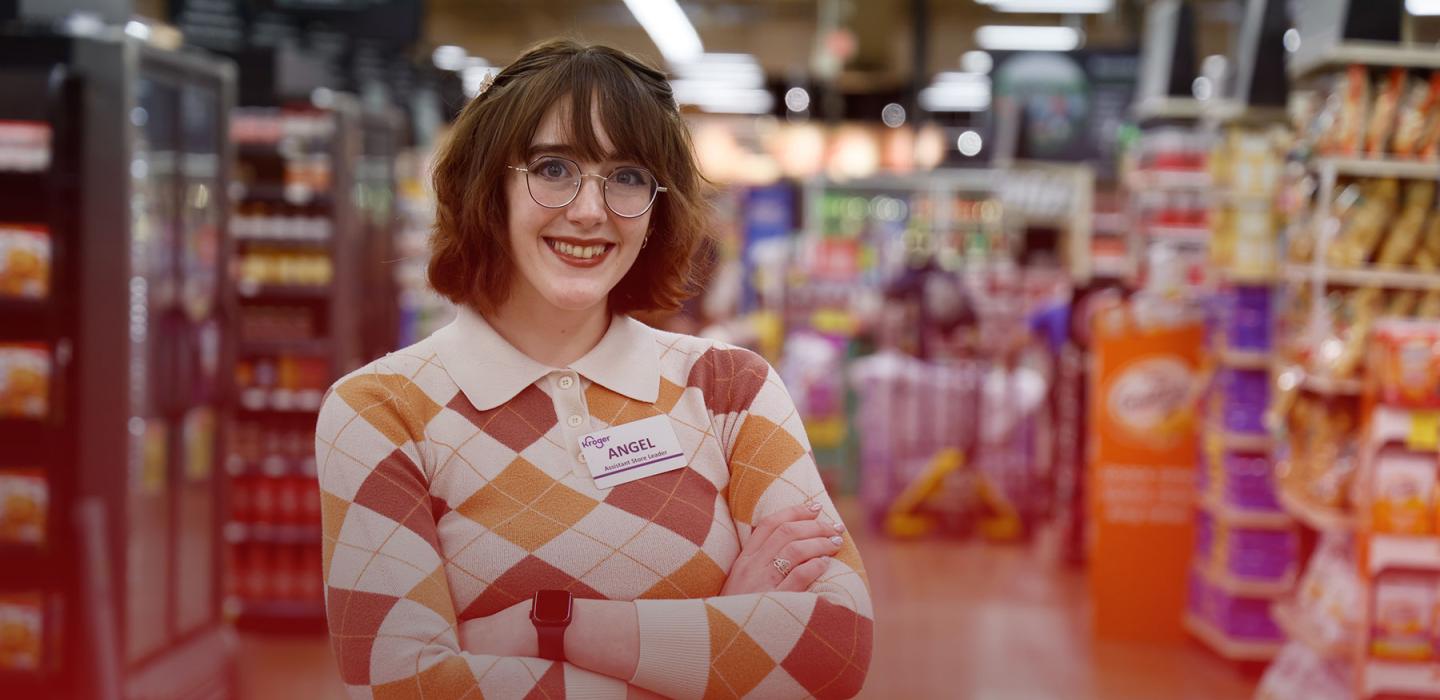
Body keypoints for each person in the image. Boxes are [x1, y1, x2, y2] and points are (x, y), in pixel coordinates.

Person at [314, 39, 873, 699]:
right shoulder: (384, 410)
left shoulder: (729, 389)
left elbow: (833, 650)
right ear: (487, 183)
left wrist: (547, 626)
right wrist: (717, 641)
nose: (590, 209)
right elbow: (401, 689)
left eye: (628, 176)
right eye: (554, 168)